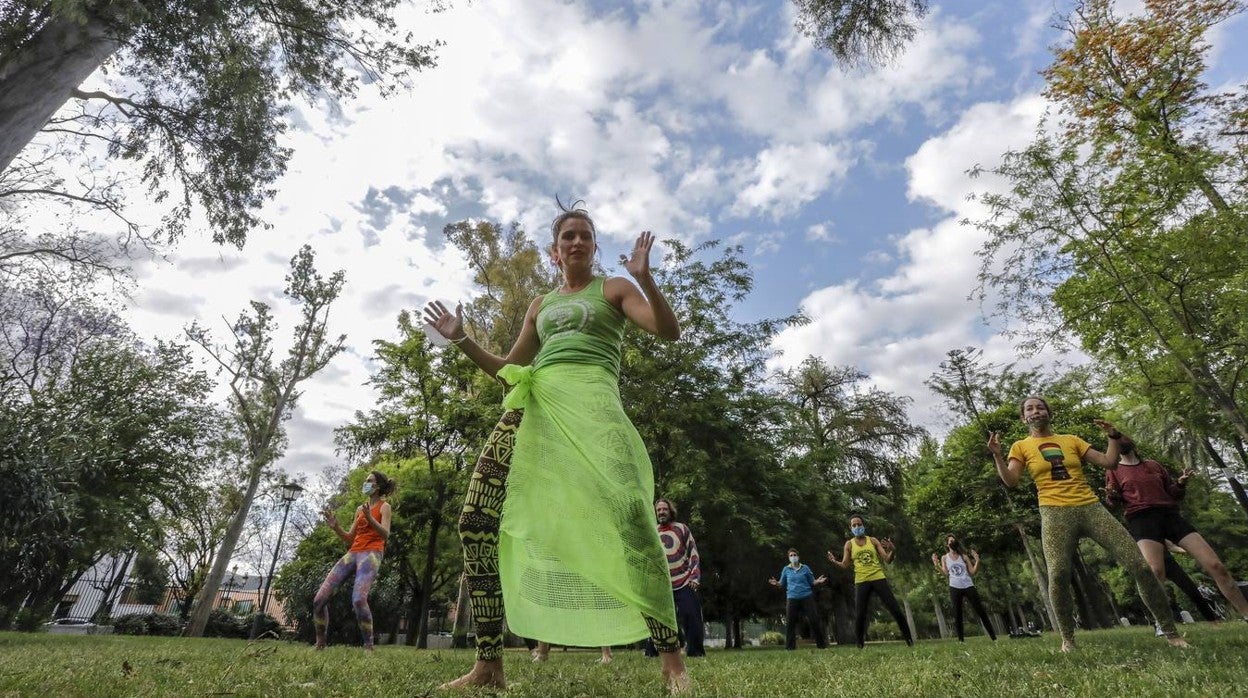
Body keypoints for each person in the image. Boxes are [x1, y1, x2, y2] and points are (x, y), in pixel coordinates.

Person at [424, 200, 689, 693]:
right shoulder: (539, 305)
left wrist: (646, 278)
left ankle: (672, 662)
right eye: (567, 235)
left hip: (593, 411)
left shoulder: (615, 287)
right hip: (534, 407)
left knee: (632, 518)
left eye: (584, 235)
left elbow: (668, 332)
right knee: (476, 520)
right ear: (554, 251)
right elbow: (507, 365)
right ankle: (488, 666)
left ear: (594, 246)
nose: (576, 241)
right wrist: (461, 339)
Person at [989, 396, 1188, 651]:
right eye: (1029, 409)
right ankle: (1068, 641)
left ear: (1049, 413)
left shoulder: (1071, 440)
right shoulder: (1021, 446)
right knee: (1058, 574)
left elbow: (1108, 462)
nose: (1035, 411)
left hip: (1090, 507)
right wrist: (997, 456)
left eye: (1040, 407)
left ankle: (1171, 633)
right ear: (1023, 418)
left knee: (1139, 565)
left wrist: (1113, 438)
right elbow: (1012, 481)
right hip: (1053, 512)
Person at [1105, 437, 1248, 622]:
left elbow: (1173, 493)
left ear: (1132, 442)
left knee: (1216, 566)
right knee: (1156, 572)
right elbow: (1114, 501)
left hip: (1171, 516)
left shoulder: (1153, 465)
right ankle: (1162, 623)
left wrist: (1181, 483)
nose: (1121, 442)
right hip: (1142, 519)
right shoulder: (1113, 469)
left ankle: (1245, 613)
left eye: (1122, 437)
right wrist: (1112, 495)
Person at [313, 470, 394, 650]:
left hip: (372, 553)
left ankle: (368, 646)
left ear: (377, 486)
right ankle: (320, 643)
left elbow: (386, 534)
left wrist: (371, 518)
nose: (365, 483)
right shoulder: (360, 509)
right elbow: (350, 538)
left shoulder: (384, 506)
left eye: (369, 481)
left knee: (358, 599)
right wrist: (336, 527)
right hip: (354, 552)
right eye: (365, 480)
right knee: (319, 600)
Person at [827, 514, 914, 648]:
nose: (857, 527)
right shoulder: (849, 544)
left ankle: (909, 641)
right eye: (854, 525)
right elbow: (845, 565)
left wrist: (893, 550)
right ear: (850, 528)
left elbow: (887, 560)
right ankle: (860, 645)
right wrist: (834, 562)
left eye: (859, 524)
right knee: (860, 614)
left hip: (878, 578)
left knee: (895, 609)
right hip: (861, 581)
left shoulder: (872, 541)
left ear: (863, 525)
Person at [644, 498, 705, 658]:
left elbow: (693, 554)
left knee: (691, 614)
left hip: (684, 581)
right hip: (660, 585)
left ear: (670, 511)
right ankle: (652, 652)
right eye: (658, 510)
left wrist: (695, 577)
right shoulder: (653, 532)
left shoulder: (682, 529)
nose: (661, 512)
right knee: (656, 619)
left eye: (664, 509)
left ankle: (695, 652)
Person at [930, 535, 997, 642]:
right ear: (947, 544)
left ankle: (994, 638)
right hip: (954, 587)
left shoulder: (964, 556)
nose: (953, 542)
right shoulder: (945, 557)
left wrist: (977, 561)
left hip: (968, 586)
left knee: (981, 611)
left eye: (954, 540)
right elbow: (945, 573)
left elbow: (972, 572)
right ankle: (961, 641)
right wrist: (936, 565)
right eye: (951, 541)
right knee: (957, 614)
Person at [768, 549, 828, 650]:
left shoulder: (805, 568)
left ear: (798, 557)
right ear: (789, 558)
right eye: (791, 555)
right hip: (792, 598)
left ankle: (821, 645)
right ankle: (790, 647)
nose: (793, 557)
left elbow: (812, 582)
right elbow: (782, 583)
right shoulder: (786, 569)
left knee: (814, 620)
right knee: (790, 622)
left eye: (794, 555)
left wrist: (818, 581)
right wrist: (776, 583)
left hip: (806, 597)